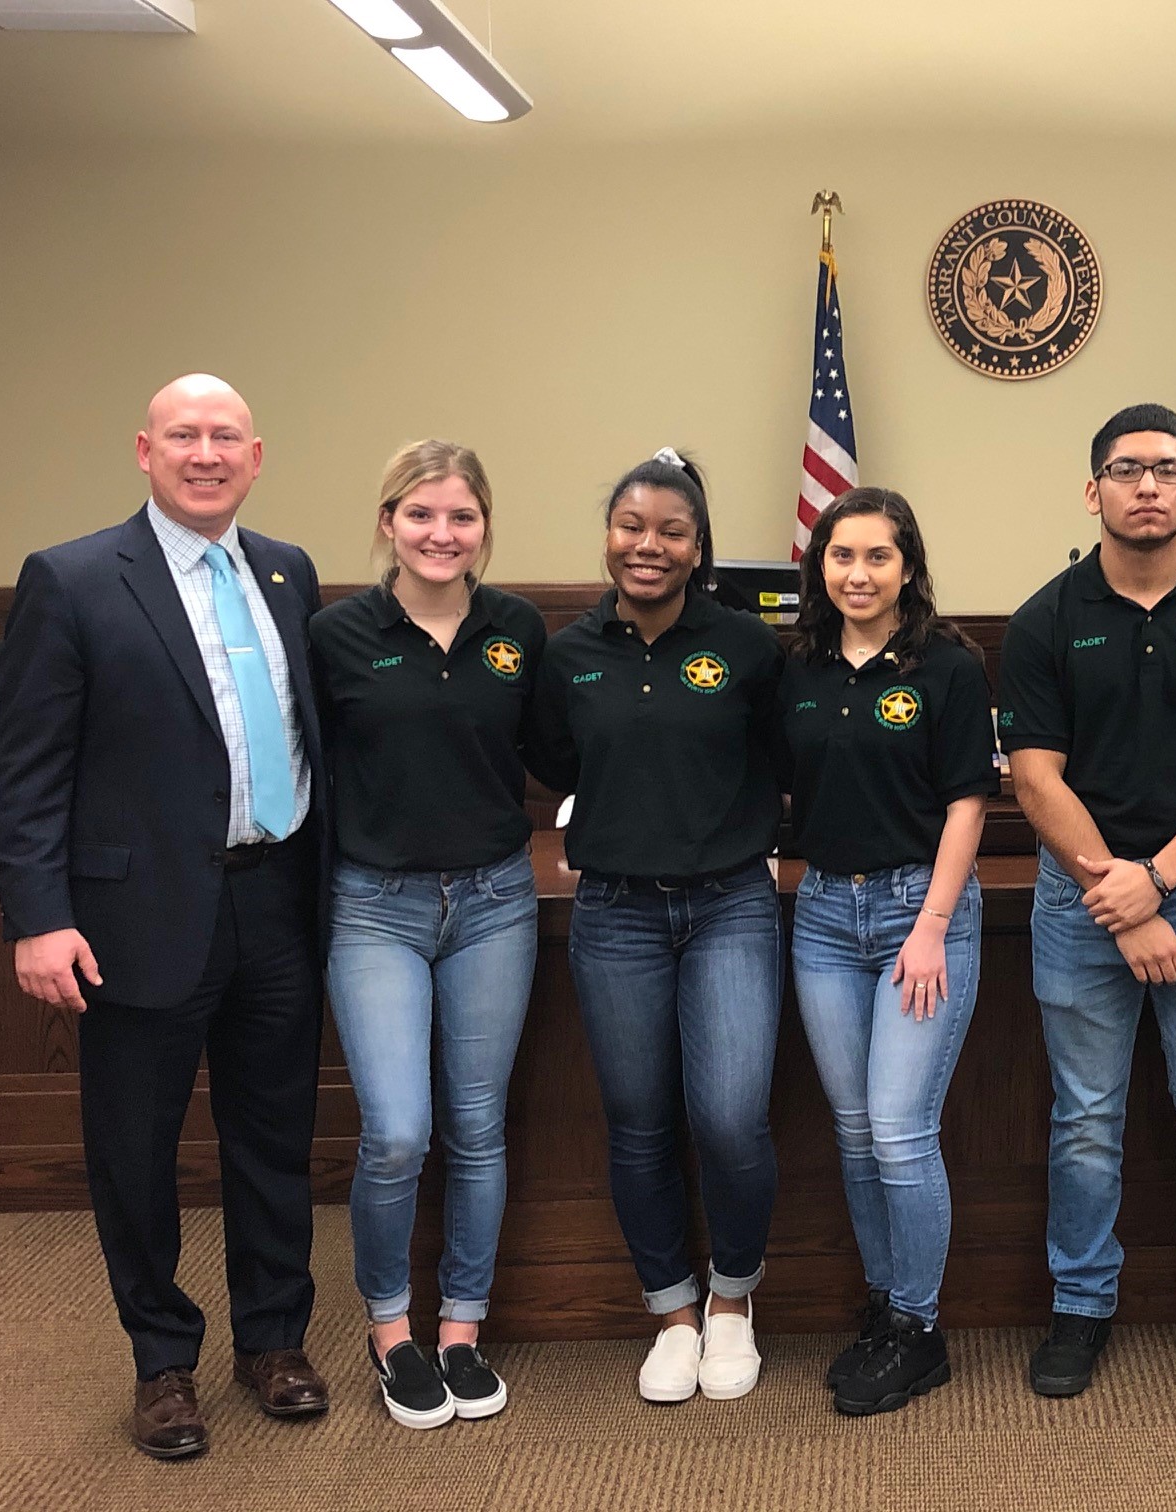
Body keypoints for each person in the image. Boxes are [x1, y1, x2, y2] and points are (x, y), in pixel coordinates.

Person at [0, 374, 330, 1456]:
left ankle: (273, 1339)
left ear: (257, 455)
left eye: (225, 436)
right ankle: (162, 1361)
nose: (205, 453)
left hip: (278, 897)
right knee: (133, 1149)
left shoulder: (287, 572)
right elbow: (26, 769)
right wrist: (36, 915)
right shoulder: (75, 578)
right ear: (145, 450)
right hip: (136, 916)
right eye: (184, 435)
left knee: (274, 1136)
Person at [998, 403, 1176, 1399]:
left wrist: (1157, 882)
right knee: (1085, 1115)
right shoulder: (1046, 618)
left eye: (1168, 471)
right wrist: (1117, 893)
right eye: (1126, 470)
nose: (1148, 488)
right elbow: (1035, 780)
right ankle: (1081, 1305)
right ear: (1094, 491)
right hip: (1080, 896)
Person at [531, 449, 784, 1403]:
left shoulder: (749, 648)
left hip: (728, 906)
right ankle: (672, 1313)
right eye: (632, 526)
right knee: (639, 1121)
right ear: (608, 536)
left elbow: (777, 760)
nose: (649, 545)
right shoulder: (567, 653)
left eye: (672, 530)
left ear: (698, 545)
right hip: (616, 915)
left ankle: (732, 1302)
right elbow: (556, 762)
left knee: (729, 1118)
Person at [308, 440, 547, 1428]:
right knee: (399, 1132)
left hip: (495, 900)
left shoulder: (518, 629)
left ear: (486, 525)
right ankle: (390, 1329)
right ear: (388, 524)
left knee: (478, 1129)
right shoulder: (336, 635)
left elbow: (561, 748)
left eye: (462, 516)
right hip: (376, 908)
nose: (442, 534)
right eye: (421, 515)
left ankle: (461, 1327)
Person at [783, 487, 998, 1417]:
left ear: (908, 566)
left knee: (902, 1130)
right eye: (841, 556)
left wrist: (931, 927)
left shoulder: (948, 666)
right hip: (825, 915)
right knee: (855, 1129)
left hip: (921, 910)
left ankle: (918, 1326)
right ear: (818, 566)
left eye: (877, 557)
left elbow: (967, 802)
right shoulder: (796, 665)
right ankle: (883, 1305)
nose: (857, 574)